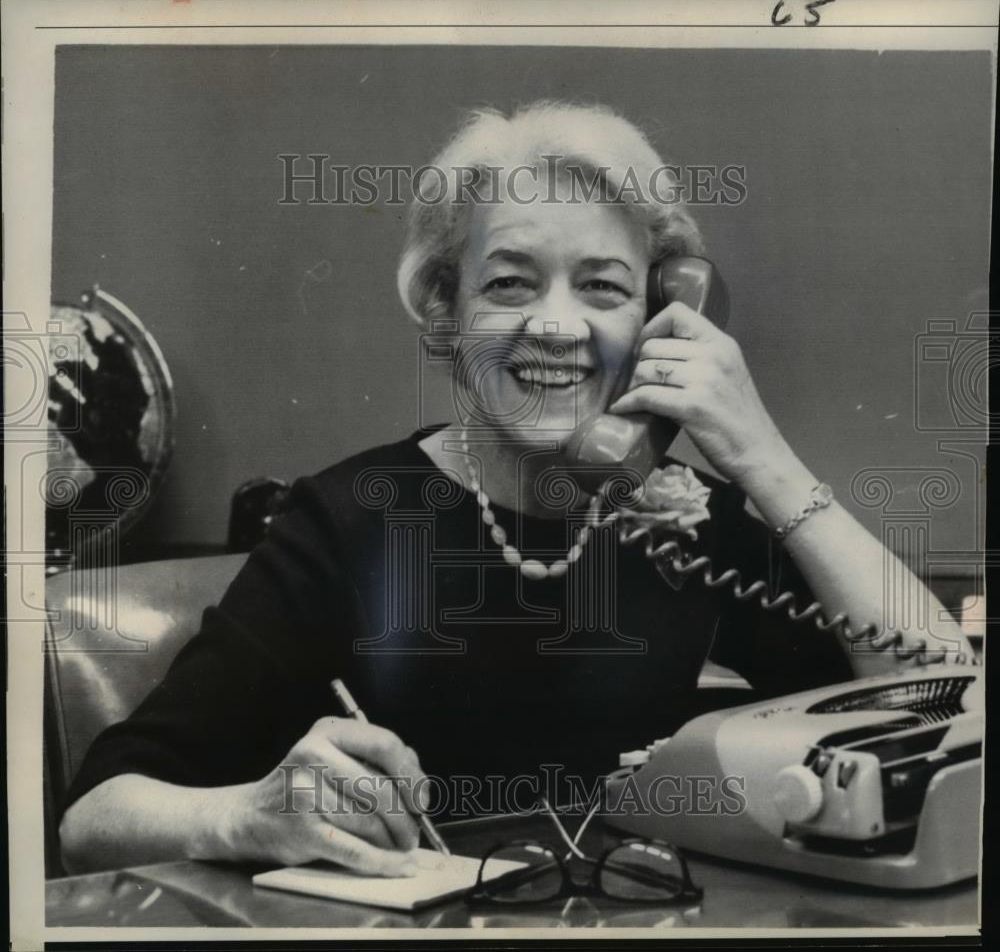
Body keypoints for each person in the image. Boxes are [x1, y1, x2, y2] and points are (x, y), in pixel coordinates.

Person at [58, 101, 974, 877]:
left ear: (662, 318)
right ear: (449, 315)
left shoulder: (685, 517)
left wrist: (763, 456)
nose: (554, 324)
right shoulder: (353, 516)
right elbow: (93, 814)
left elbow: (947, 694)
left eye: (604, 287)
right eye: (509, 283)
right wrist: (246, 815)